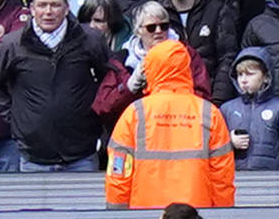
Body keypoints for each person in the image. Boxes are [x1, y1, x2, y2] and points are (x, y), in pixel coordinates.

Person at [98, 32, 237, 209]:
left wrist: (117, 214)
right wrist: (222, 215)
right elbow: (222, 176)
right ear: (186, 68)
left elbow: (118, 171)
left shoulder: (134, 113)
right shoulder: (209, 113)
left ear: (150, 68)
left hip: (143, 216)